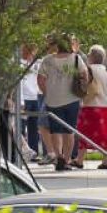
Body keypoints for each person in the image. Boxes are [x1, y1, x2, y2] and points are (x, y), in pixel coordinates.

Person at [37, 36, 88, 172]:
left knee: (55, 130)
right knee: (69, 130)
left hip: (53, 100)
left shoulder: (48, 60)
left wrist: (47, 93)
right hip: (72, 99)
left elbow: (40, 79)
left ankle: (58, 156)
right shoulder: (76, 58)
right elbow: (85, 75)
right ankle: (67, 159)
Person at [75, 45, 107, 170]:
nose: (87, 57)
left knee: (83, 133)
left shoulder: (88, 69)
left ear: (92, 57)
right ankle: (106, 161)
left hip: (90, 105)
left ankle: (80, 160)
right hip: (106, 106)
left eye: (88, 54)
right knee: (105, 134)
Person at [19, 43, 43, 161]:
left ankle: (34, 152)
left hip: (35, 97)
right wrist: (21, 100)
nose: (33, 54)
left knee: (34, 127)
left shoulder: (37, 63)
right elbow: (20, 83)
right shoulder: (19, 64)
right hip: (25, 98)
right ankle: (21, 152)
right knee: (21, 126)